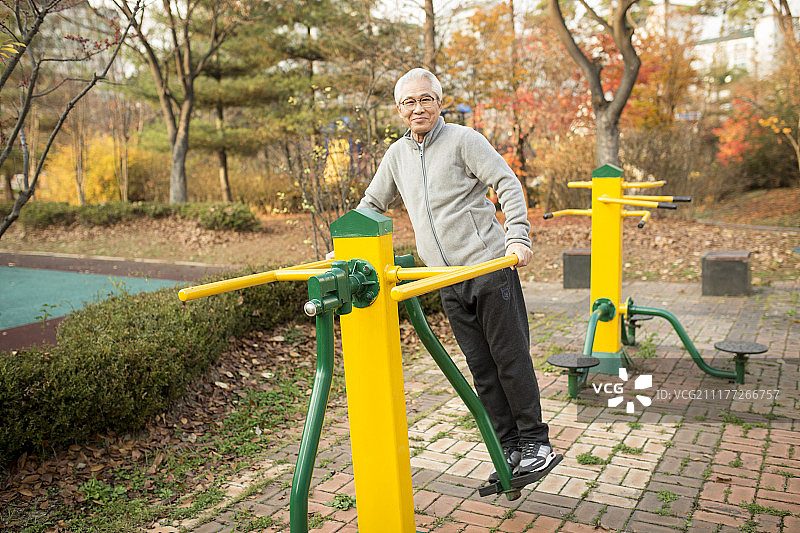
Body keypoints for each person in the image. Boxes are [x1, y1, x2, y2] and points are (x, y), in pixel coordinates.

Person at [356, 67, 555, 481]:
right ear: (399, 109)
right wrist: (345, 244)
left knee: (510, 361)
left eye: (425, 98)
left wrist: (518, 237)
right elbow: (371, 204)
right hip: (445, 280)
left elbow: (507, 182)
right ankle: (508, 450)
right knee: (481, 368)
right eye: (409, 102)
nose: (418, 108)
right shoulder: (396, 156)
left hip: (489, 270)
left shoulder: (465, 141)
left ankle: (536, 442)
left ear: (439, 102)